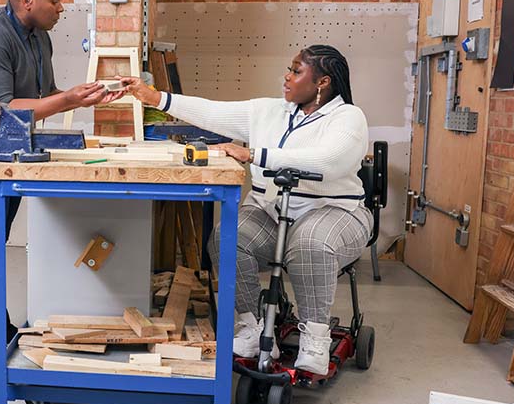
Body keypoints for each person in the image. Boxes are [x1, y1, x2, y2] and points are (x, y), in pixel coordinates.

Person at [123, 45, 371, 375]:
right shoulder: (272, 111)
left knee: (309, 243)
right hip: (274, 209)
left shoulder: (348, 118)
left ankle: (315, 336)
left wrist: (254, 154)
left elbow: (328, 161)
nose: (287, 77)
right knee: (228, 237)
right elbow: (213, 112)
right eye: (289, 68)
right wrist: (157, 99)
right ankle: (252, 327)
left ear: (323, 82)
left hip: (335, 210)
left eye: (296, 72)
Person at [0, 0, 124, 367]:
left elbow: (45, 96)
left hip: (13, 152)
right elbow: (1, 113)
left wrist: (84, 96)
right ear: (27, 0)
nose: (63, 7)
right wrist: (69, 101)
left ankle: (1, 325)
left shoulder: (38, 38)